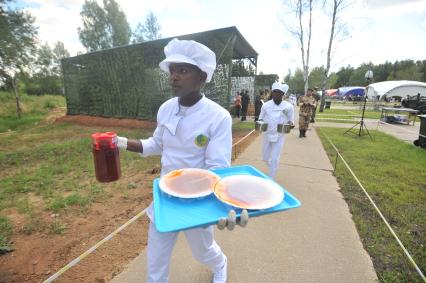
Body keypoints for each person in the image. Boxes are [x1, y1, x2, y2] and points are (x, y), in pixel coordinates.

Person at [115, 38, 248, 283]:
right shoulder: (166, 108)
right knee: (155, 260)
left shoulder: (217, 117)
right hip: (166, 197)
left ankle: (220, 263)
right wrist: (123, 143)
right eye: (172, 70)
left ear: (202, 76)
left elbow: (217, 168)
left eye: (183, 70)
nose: (174, 77)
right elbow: (157, 144)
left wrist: (221, 204)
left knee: (203, 251)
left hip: (199, 198)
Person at [258, 82, 294, 179]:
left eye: (279, 92)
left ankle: (271, 178)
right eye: (275, 92)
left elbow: (291, 121)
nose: (276, 94)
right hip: (267, 134)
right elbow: (260, 118)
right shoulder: (266, 106)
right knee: (265, 158)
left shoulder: (288, 107)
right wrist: (260, 123)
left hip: (279, 135)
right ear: (272, 93)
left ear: (283, 94)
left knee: (274, 158)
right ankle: (274, 166)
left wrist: (290, 125)